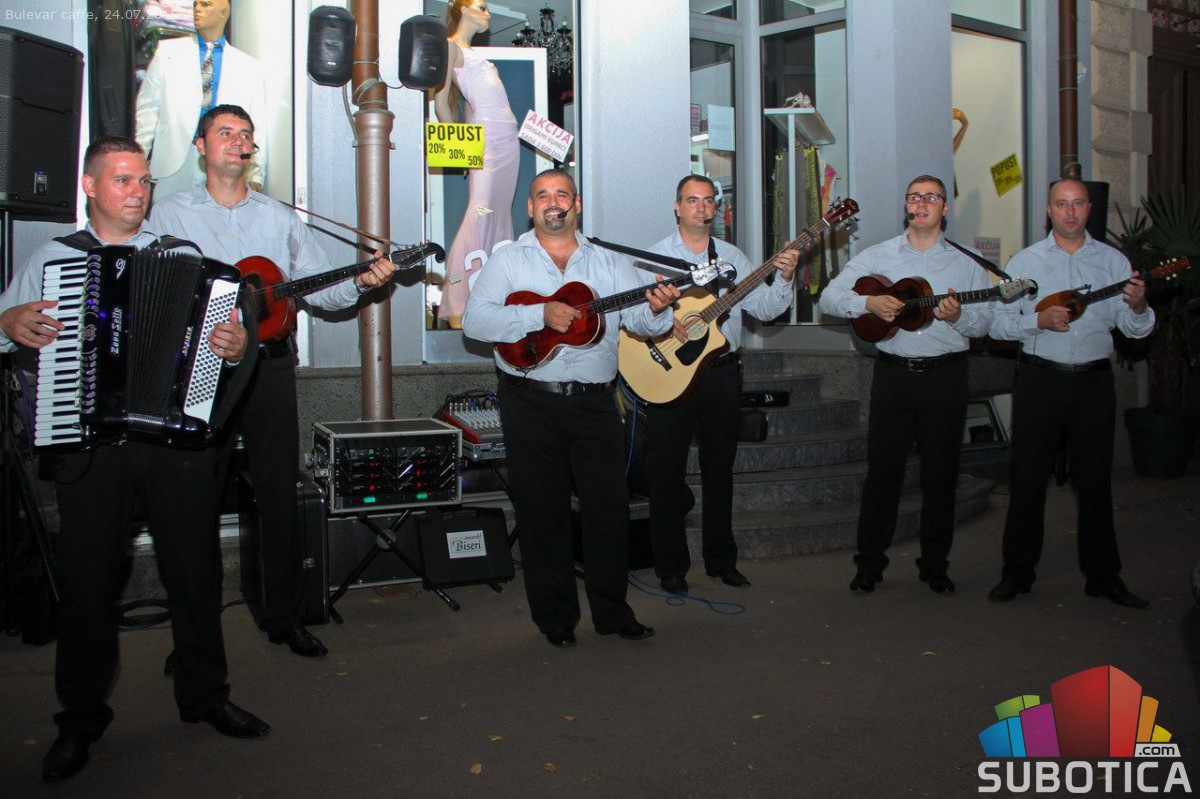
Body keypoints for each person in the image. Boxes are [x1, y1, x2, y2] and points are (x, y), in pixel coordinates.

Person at [0, 136, 266, 783]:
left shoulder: (181, 257)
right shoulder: (54, 258)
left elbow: (227, 342)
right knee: (88, 586)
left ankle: (205, 694)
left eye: (144, 181)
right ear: (90, 187)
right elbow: (10, 324)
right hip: (90, 445)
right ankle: (79, 718)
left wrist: (234, 344)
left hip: (173, 444)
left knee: (195, 575)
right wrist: (8, 324)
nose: (138, 192)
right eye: (123, 180)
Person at [150, 105, 396, 657]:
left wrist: (363, 282)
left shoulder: (280, 216)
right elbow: (155, 295)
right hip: (202, 370)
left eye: (246, 135)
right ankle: (194, 638)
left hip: (269, 366)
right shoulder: (168, 214)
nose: (238, 142)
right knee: (195, 500)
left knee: (279, 494)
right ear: (201, 146)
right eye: (225, 133)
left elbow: (320, 291)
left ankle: (284, 616)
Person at [462, 169, 681, 648]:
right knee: (542, 514)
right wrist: (537, 313)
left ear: (576, 204)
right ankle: (556, 619)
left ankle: (612, 612)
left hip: (595, 404)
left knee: (608, 511)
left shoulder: (610, 262)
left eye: (561, 193)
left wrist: (658, 307)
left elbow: (642, 323)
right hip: (529, 402)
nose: (552, 201)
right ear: (530, 207)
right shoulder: (508, 260)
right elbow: (475, 321)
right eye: (542, 194)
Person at [819, 175, 994, 596]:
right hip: (894, 375)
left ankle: (935, 565)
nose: (921, 203)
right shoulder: (878, 255)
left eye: (931, 197)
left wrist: (958, 316)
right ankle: (869, 564)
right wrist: (868, 302)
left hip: (945, 377)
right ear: (906, 206)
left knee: (941, 475)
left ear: (945, 208)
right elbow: (828, 297)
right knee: (882, 474)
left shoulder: (966, 264)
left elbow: (985, 322)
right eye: (914, 197)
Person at [986, 179, 1154, 608]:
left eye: (1078, 203)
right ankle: (1017, 574)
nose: (1071, 212)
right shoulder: (1026, 262)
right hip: (1041, 380)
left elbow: (1134, 330)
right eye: (1062, 204)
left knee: (1095, 482)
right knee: (1028, 479)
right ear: (1049, 210)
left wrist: (1138, 307)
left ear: (1089, 209)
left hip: (1094, 382)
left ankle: (1104, 577)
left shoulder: (1113, 262)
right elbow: (998, 325)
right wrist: (1037, 322)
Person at [645, 175, 799, 595]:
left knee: (720, 471)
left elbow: (765, 309)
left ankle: (721, 561)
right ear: (677, 206)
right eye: (692, 200)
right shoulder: (655, 257)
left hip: (721, 374)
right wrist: (665, 322)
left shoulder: (732, 258)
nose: (701, 207)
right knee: (666, 472)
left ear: (716, 208)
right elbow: (637, 317)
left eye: (708, 200)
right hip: (670, 372)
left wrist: (784, 278)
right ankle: (670, 567)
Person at [433, 0, 520, 329]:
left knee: (500, 218)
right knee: (479, 212)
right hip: (486, 141)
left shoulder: (475, 54)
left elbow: (469, 106)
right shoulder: (450, 46)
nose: (488, 13)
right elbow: (441, 102)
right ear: (463, 9)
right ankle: (457, 301)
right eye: (481, 7)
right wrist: (460, 149)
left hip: (507, 139)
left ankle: (494, 297)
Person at [136, 0, 269, 199]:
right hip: (173, 159)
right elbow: (148, 110)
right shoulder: (167, 53)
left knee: (219, 216)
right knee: (167, 216)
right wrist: (138, 157)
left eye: (205, 4)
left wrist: (255, 173)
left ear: (224, 12)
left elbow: (256, 123)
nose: (197, 9)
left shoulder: (249, 67)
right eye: (196, 4)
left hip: (224, 159)